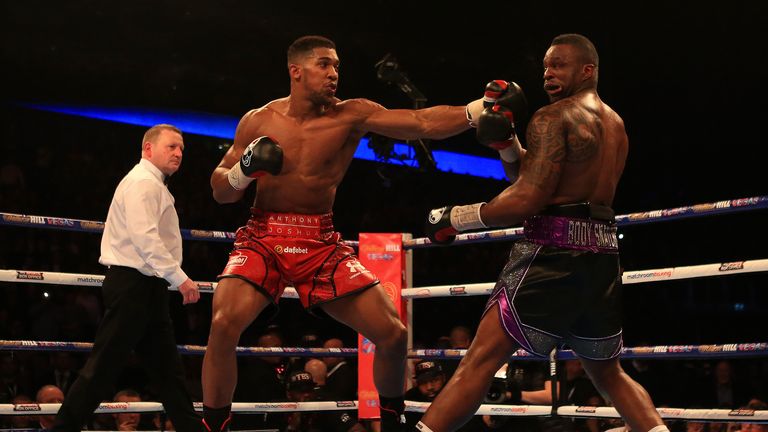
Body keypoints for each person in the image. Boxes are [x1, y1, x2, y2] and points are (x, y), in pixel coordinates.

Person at [201, 35, 474, 432]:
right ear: (296, 71)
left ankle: (392, 421)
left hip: (320, 240)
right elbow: (220, 190)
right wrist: (244, 170)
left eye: (337, 66)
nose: (334, 74)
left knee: (394, 334)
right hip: (264, 235)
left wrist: (476, 111)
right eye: (325, 65)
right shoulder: (259, 120)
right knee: (223, 323)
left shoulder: (351, 114)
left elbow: (423, 123)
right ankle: (213, 426)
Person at [417, 34, 669, 432]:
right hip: (602, 253)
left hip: (553, 248)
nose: (549, 74)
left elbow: (528, 199)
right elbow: (544, 179)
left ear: (588, 70)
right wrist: (508, 146)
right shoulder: (616, 124)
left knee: (479, 360)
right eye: (546, 66)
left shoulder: (554, 117)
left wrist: (455, 216)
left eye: (559, 65)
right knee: (608, 374)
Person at [52, 124, 203, 432]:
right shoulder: (142, 183)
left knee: (169, 374)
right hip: (133, 286)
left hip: (148, 287)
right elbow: (144, 239)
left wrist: (171, 279)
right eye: (172, 146)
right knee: (102, 369)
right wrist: (181, 278)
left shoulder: (154, 185)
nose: (178, 153)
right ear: (148, 149)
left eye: (182, 149)